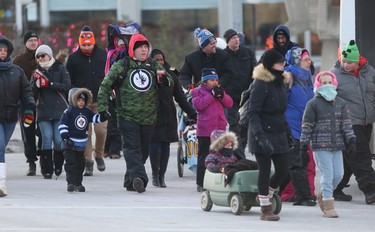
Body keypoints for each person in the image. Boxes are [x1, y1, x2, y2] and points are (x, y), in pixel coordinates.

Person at [97, 33, 173, 193]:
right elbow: (105, 85)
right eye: (140, 48)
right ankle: (140, 178)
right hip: (126, 116)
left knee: (143, 151)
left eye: (146, 47)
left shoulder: (153, 65)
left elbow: (170, 81)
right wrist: (103, 108)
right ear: (133, 49)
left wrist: (166, 81)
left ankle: (130, 180)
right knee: (132, 149)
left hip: (149, 117)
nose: (144, 50)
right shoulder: (122, 65)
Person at [300, 71, 356, 218]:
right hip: (321, 145)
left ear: (334, 83)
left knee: (339, 175)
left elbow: (346, 124)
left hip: (337, 145)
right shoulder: (312, 104)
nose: (327, 85)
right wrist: (304, 145)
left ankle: (324, 193)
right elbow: (307, 126)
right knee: (328, 174)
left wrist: (351, 139)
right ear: (318, 85)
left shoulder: (341, 103)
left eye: (329, 82)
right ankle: (328, 206)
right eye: (324, 83)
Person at [247, 49, 291, 221]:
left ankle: (266, 195)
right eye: (280, 62)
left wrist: (288, 133)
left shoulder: (281, 82)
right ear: (270, 64)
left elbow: (281, 112)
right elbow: (253, 113)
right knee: (264, 170)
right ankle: (265, 208)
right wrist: (260, 137)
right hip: (261, 132)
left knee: (283, 170)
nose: (283, 64)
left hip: (279, 131)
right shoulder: (260, 83)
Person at [330, 40, 375, 204]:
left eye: (349, 62)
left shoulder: (369, 72)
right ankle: (370, 189)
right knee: (361, 156)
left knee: (348, 159)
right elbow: (323, 98)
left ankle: (335, 188)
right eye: (344, 61)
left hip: (366, 123)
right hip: (348, 123)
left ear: (358, 61)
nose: (346, 65)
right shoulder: (334, 74)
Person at [149, 49, 197, 188]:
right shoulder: (147, 75)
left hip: (168, 115)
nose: (159, 62)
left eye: (161, 60)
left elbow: (181, 98)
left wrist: (193, 113)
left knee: (165, 147)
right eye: (156, 60)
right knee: (155, 146)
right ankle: (154, 174)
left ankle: (162, 175)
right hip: (153, 115)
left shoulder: (171, 76)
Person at [66, 25, 107, 176]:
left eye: (89, 44)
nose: (87, 47)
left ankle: (99, 155)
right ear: (79, 43)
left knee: (101, 131)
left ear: (94, 43)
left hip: (101, 99)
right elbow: (68, 80)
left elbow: (110, 74)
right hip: (82, 102)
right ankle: (88, 162)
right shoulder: (73, 58)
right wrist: (72, 97)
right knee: (86, 132)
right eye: (84, 45)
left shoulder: (103, 55)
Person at [0, 35, 35, 197]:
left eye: (5, 50)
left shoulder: (17, 71)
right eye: (0, 50)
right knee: (0, 147)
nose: (2, 53)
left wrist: (29, 106)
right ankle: (1, 182)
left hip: (11, 116)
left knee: (1, 146)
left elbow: (26, 92)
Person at [282, 47, 317, 206]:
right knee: (296, 163)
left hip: (305, 128)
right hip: (291, 129)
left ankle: (307, 192)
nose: (309, 61)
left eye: (309, 58)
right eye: (305, 59)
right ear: (296, 61)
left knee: (307, 162)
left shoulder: (307, 77)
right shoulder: (287, 77)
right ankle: (289, 193)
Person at [59, 88, 110, 192]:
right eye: (79, 100)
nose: (81, 103)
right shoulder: (68, 112)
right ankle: (71, 183)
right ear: (73, 100)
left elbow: (96, 118)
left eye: (83, 101)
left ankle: (78, 183)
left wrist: (104, 116)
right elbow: (62, 125)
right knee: (71, 164)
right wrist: (65, 137)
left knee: (80, 164)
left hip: (81, 144)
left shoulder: (87, 112)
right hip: (70, 144)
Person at [192, 68, 233, 192]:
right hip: (205, 130)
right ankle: (201, 182)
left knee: (221, 156)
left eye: (216, 80)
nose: (215, 83)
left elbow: (230, 104)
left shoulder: (220, 91)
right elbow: (198, 105)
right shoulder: (198, 92)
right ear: (205, 82)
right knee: (204, 156)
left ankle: (218, 181)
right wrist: (212, 96)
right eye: (212, 80)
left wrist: (222, 96)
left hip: (219, 129)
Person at [33, 44, 71, 179]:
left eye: (43, 55)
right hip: (43, 111)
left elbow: (67, 86)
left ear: (49, 55)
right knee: (47, 139)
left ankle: (59, 165)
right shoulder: (37, 72)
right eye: (38, 57)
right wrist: (36, 84)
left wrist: (49, 84)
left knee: (58, 140)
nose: (41, 58)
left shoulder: (60, 68)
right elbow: (32, 94)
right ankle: (46, 169)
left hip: (59, 110)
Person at [223, 29, 257, 150]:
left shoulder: (247, 53)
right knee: (233, 125)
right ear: (227, 41)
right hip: (230, 97)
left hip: (246, 96)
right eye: (233, 38)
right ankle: (237, 153)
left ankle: (241, 148)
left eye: (237, 37)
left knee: (244, 124)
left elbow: (255, 70)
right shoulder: (222, 55)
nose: (236, 40)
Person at [13, 30, 40, 176]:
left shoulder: (45, 56)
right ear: (25, 43)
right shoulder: (18, 60)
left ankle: (45, 156)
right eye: (30, 40)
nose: (33, 42)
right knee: (27, 132)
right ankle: (31, 162)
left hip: (43, 103)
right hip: (25, 103)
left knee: (44, 131)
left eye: (35, 40)